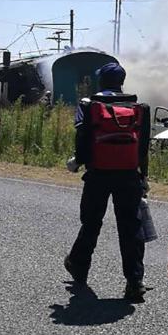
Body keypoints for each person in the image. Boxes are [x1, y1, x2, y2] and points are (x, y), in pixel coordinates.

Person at [64, 62, 151, 301]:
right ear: (121, 81)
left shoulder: (88, 104)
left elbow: (83, 137)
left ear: (101, 81)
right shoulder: (138, 106)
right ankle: (135, 282)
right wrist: (143, 175)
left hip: (98, 174)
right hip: (129, 175)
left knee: (91, 222)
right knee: (131, 227)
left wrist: (78, 161)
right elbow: (143, 146)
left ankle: (79, 268)